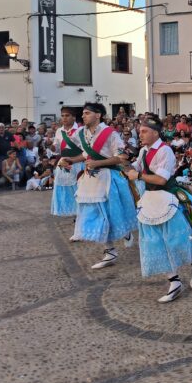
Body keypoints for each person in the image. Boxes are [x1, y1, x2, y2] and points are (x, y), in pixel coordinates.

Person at [126, 116, 192, 303]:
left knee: (176, 239)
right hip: (150, 200)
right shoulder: (143, 151)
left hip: (168, 197)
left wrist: (137, 175)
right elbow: (134, 169)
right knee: (155, 242)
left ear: (155, 132)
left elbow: (161, 180)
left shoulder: (165, 151)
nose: (140, 134)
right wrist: (122, 161)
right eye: (140, 131)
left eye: (144, 131)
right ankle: (174, 282)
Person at [58, 103, 137, 270]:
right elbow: (86, 154)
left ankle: (123, 234)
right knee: (95, 214)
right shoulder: (83, 132)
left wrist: (99, 162)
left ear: (98, 115)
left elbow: (122, 157)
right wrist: (72, 160)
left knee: (110, 214)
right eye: (83, 113)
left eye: (87, 113)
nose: (83, 116)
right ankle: (110, 251)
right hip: (91, 180)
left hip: (108, 178)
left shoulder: (110, 133)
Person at [51, 108, 84, 220]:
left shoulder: (80, 130)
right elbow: (57, 149)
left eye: (67, 115)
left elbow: (85, 149)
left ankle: (81, 213)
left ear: (73, 117)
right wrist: (50, 146)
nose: (64, 118)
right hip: (63, 162)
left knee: (78, 189)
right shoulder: (59, 131)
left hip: (77, 162)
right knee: (65, 188)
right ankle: (74, 212)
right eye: (62, 115)